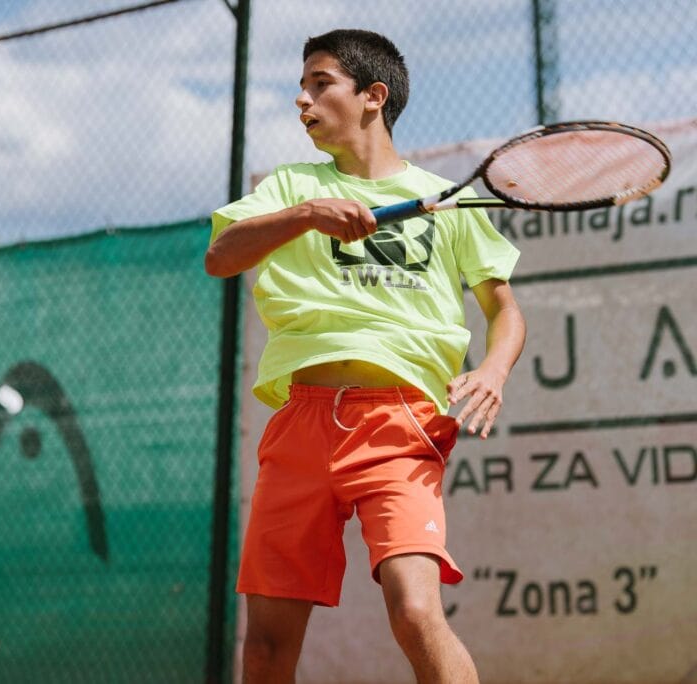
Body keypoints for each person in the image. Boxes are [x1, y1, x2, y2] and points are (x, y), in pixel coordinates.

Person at [205, 28, 526, 684]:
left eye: (320, 83)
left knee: (413, 610)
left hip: (401, 423)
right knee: (265, 648)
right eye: (302, 86)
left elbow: (505, 312)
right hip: (300, 422)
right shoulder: (292, 187)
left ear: (372, 95)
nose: (303, 99)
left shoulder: (449, 202)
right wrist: (305, 215)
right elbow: (221, 258)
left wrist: (493, 369)